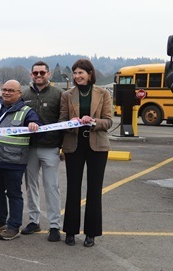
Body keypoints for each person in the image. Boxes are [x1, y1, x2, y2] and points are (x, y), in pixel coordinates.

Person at [59, 59, 114, 247]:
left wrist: (93, 121)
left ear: (90, 74)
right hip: (74, 144)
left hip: (97, 146)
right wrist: (71, 122)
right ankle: (70, 231)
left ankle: (91, 233)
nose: (77, 76)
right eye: (75, 73)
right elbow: (62, 120)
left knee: (94, 189)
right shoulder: (67, 95)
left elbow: (108, 122)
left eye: (81, 73)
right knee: (73, 188)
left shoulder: (103, 93)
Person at [0, 80, 41, 241]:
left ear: (19, 93)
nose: (6, 93)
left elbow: (38, 128)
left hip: (13, 162)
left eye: (11, 90)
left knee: (14, 194)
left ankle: (13, 226)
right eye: (5, 90)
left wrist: (34, 125)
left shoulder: (27, 112)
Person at [20, 61, 64, 242]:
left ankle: (54, 225)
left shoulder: (58, 95)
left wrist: (63, 147)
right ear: (31, 75)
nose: (38, 76)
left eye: (42, 73)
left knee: (52, 187)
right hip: (29, 148)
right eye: (35, 73)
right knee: (31, 187)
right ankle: (34, 220)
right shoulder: (24, 95)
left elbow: (64, 120)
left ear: (49, 74)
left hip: (51, 147)